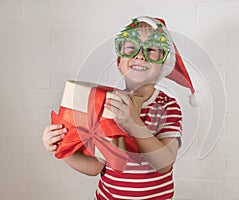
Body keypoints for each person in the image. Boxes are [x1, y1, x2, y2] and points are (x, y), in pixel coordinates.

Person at [42, 16, 195, 199]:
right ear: (119, 63)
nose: (139, 55)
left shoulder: (167, 106)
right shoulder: (107, 103)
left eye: (151, 49)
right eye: (131, 48)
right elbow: (95, 166)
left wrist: (132, 123)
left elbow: (164, 163)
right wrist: (62, 149)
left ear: (164, 64)